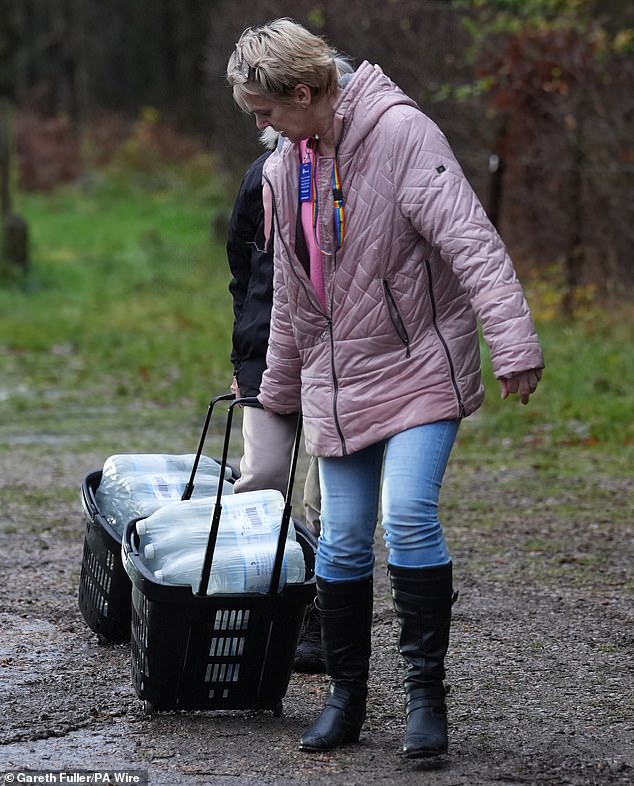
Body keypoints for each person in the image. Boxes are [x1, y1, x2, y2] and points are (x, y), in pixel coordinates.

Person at [226, 18, 544, 758]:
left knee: (406, 518)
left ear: (303, 92)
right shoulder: (282, 172)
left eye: (266, 112)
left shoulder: (403, 134)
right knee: (339, 540)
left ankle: (425, 702)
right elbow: (290, 305)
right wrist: (276, 396)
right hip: (341, 382)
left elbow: (471, 242)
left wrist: (514, 342)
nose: (262, 127)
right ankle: (345, 698)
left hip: (421, 368)